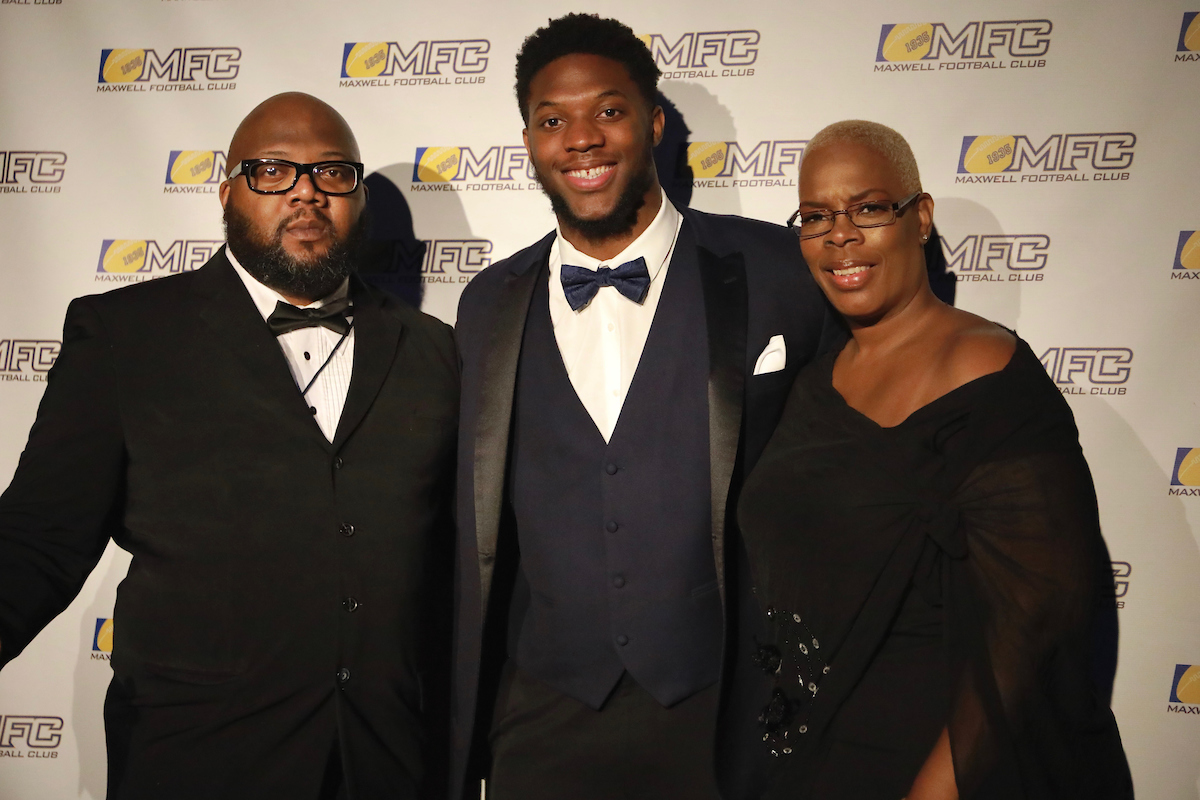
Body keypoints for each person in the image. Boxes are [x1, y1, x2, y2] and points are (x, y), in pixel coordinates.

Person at [0, 93, 458, 800]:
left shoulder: (432, 350)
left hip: (387, 763)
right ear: (228, 191)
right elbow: (38, 540)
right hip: (197, 762)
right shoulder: (126, 336)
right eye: (273, 171)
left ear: (357, 196)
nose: (306, 192)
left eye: (332, 173)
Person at [451, 14, 841, 800]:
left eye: (609, 110)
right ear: (528, 141)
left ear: (654, 122)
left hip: (721, 704)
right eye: (552, 120)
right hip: (543, 709)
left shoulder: (773, 270)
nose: (581, 138)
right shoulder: (487, 303)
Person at [735, 120, 1132, 799]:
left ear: (919, 219)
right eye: (815, 216)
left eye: (868, 208)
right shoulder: (814, 379)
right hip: (805, 759)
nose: (840, 235)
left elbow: (1033, 625)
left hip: (930, 766)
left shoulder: (986, 368)